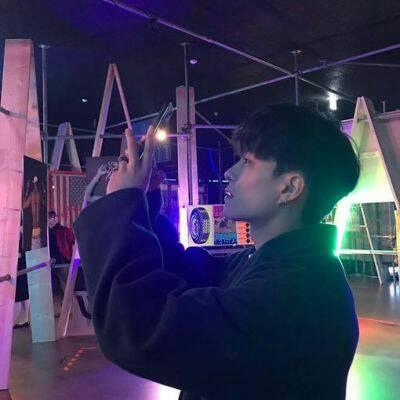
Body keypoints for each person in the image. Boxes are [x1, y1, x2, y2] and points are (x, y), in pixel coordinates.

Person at [74, 105, 360, 399]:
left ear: (289, 188)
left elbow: (141, 326)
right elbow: (185, 275)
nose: (229, 172)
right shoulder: (273, 264)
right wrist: (140, 203)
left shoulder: (301, 294)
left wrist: (121, 204)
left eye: (247, 161)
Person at [48, 211, 75, 299]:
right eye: (50, 217)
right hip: (50, 261)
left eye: (53, 217)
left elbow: (73, 242)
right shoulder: (46, 232)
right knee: (55, 288)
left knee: (66, 285)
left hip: (62, 260)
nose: (52, 219)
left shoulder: (64, 230)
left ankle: (71, 303)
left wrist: (71, 258)